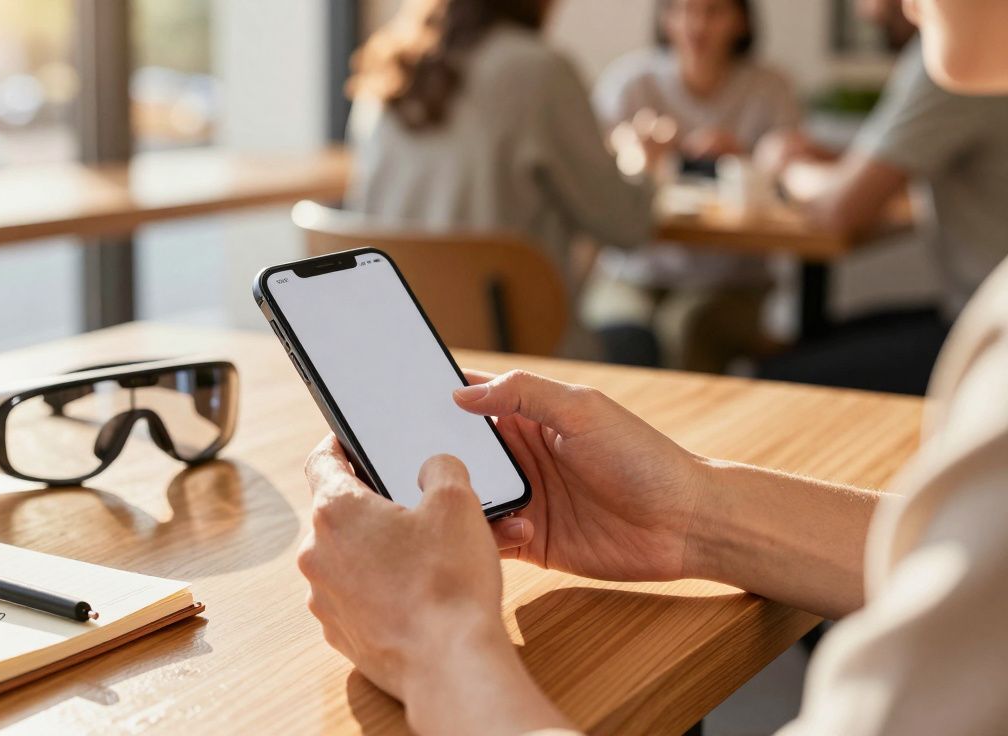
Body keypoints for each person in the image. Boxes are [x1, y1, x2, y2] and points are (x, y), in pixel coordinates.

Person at [297, 0, 1008, 732]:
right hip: (528, 360)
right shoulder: (547, 70)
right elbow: (627, 220)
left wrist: (433, 643)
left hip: (429, 384)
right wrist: (694, 513)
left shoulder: (387, 71)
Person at [343, 0, 657, 354]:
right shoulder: (539, 70)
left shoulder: (387, 65)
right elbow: (627, 225)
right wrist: (643, 163)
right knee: (642, 339)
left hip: (401, 347)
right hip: (518, 360)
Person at [754, 0, 1008, 394]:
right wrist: (826, 154)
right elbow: (889, 158)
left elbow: (839, 208)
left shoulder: (951, 64)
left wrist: (787, 168)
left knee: (777, 378)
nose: (865, 11)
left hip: (985, 334)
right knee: (811, 345)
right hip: (976, 314)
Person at [586, 0, 801, 372]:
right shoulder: (631, 83)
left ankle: (673, 433)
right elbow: (590, 178)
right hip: (636, 271)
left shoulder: (769, 88)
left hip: (732, 280)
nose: (696, 25)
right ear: (664, 18)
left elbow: (793, 188)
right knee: (622, 333)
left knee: (685, 328)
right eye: (682, 10)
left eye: (714, 11)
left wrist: (746, 161)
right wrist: (634, 155)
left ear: (741, 22)